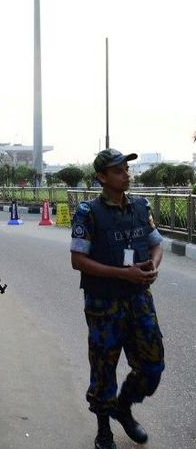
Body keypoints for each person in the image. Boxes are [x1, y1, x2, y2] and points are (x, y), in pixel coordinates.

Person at [70, 149, 165, 449]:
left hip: (139, 300)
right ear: (102, 177)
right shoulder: (88, 213)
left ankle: (123, 407)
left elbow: (156, 245)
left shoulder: (140, 206)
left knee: (153, 366)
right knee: (104, 367)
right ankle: (103, 428)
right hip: (104, 304)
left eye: (126, 168)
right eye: (119, 170)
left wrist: (153, 267)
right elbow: (78, 260)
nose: (126, 174)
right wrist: (122, 274)